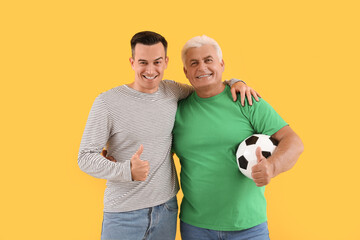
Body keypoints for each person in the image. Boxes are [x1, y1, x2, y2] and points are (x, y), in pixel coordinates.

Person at [78, 31, 260, 240]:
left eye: (157, 62)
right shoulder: (107, 103)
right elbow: (85, 157)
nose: (150, 70)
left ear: (165, 62)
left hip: (166, 211)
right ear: (132, 62)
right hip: (123, 214)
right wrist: (125, 170)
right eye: (142, 62)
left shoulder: (173, 91)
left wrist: (236, 82)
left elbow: (206, 85)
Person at [172, 35, 304, 240]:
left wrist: (272, 166)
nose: (202, 67)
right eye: (194, 63)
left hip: (248, 226)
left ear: (221, 64)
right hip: (195, 227)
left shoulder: (247, 100)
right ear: (185, 72)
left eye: (208, 60)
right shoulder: (175, 112)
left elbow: (293, 141)